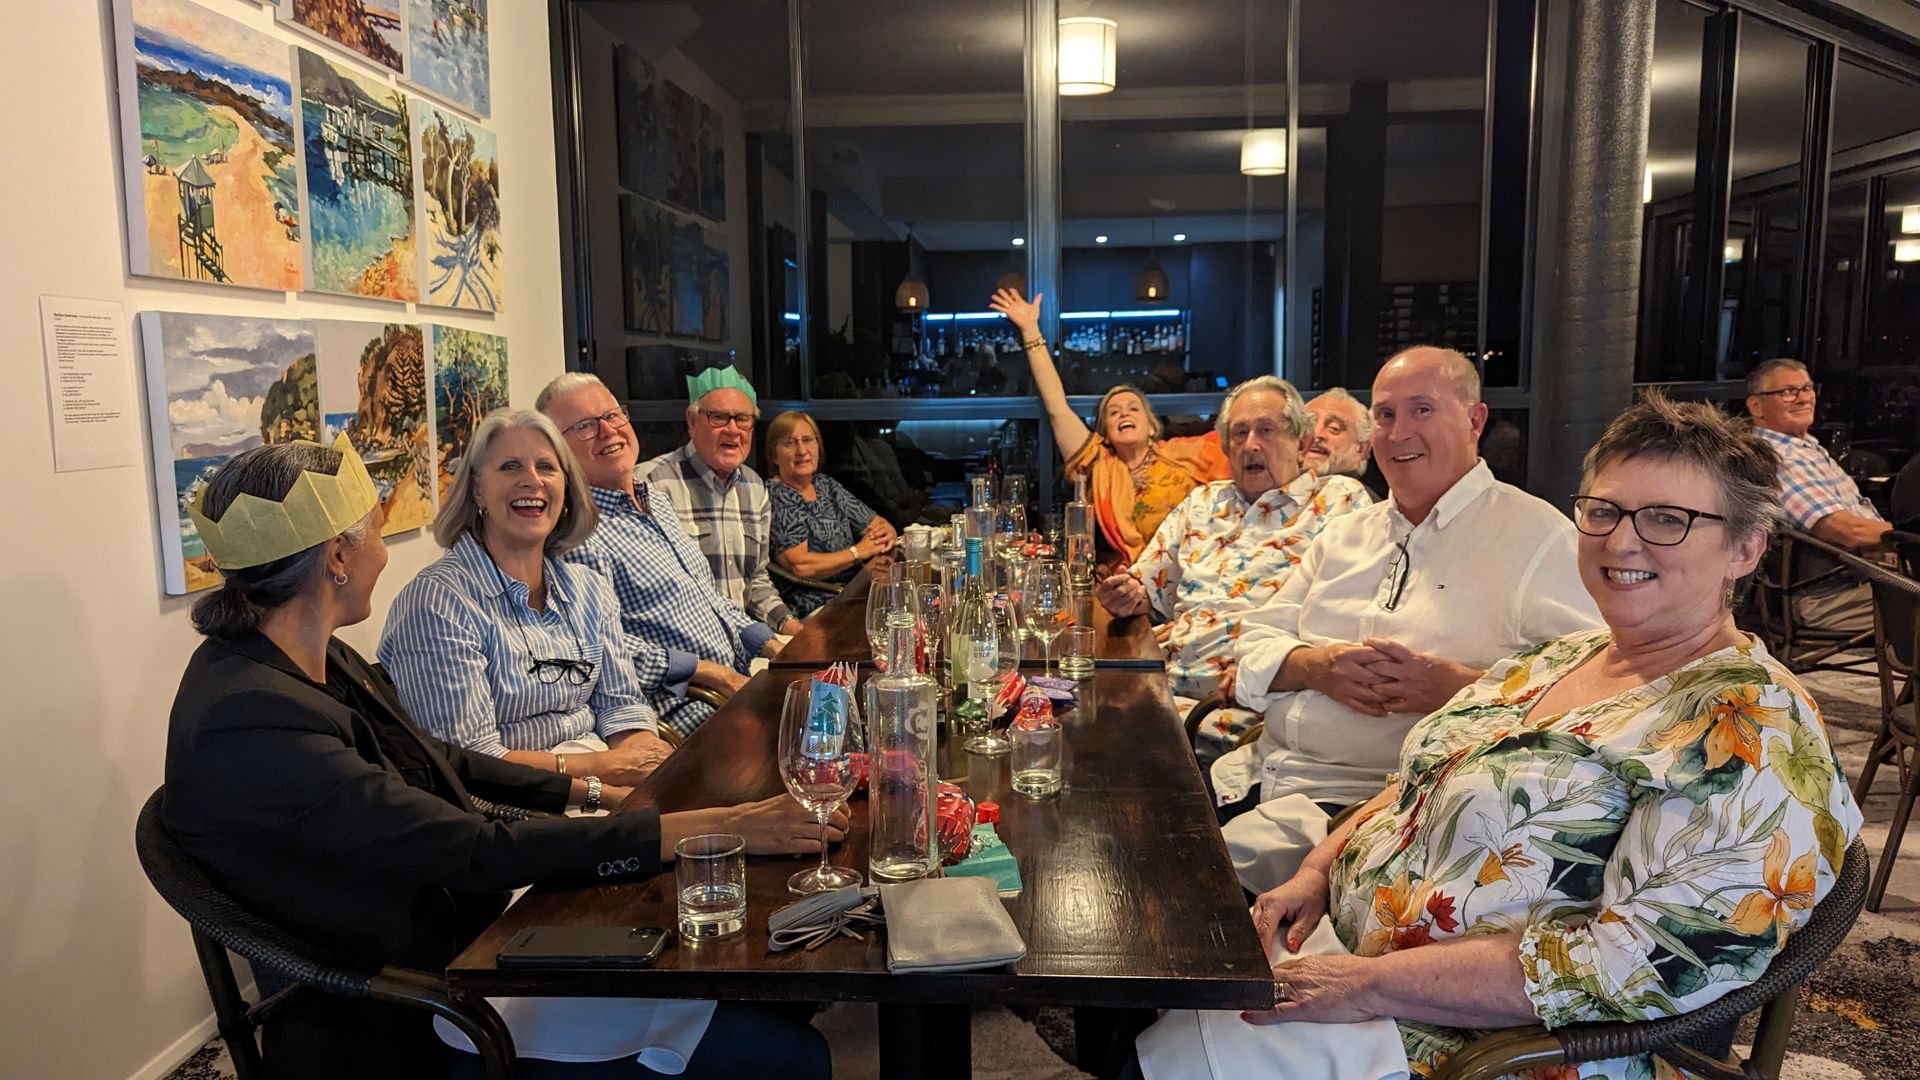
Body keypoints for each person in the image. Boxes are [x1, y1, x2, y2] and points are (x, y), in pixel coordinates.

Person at [1137, 393, 1863, 1080]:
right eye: (1603, 510)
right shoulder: (1557, 659)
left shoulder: (1749, 723)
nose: (1620, 539)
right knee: (1152, 978)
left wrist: (1368, 986)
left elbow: (1652, 960)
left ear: (1744, 549)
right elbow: (1415, 786)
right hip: (1363, 966)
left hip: (1501, 1043)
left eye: (1667, 518)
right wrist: (1319, 871)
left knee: (1161, 1047)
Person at [165, 437, 840, 1079]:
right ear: (337, 556)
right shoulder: (250, 719)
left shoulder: (308, 659)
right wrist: (707, 830)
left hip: (470, 942)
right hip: (418, 1005)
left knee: (755, 985)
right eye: (374, 530)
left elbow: (444, 763)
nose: (381, 549)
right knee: (779, 1052)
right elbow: (468, 848)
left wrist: (591, 797)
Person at [1213, 346, 1602, 893]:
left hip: (1378, 817)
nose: (1397, 433)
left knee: (1172, 896)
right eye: (1385, 414)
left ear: (1474, 420)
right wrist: (1313, 666)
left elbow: (1597, 699)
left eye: (1422, 410)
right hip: (1257, 774)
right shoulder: (1347, 533)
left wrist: (1459, 691)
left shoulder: (1538, 540)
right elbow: (1254, 641)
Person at [380, 410, 673, 788]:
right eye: (510, 467)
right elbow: (472, 762)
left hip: (604, 784)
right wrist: (606, 769)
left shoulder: (589, 590)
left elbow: (622, 706)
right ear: (477, 489)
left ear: (566, 488)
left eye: (547, 467)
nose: (531, 481)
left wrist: (646, 759)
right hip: (514, 809)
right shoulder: (437, 603)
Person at [1093, 376, 1372, 764]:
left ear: (1302, 442)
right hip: (1161, 683)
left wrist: (1276, 663)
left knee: (1099, 751)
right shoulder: (1204, 502)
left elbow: (1350, 616)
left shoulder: (1339, 502)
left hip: (1248, 708)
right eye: (1239, 433)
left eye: (1266, 430)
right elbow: (1147, 589)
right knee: (1056, 717)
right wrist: (1127, 595)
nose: (1250, 444)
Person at [537, 374, 782, 739]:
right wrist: (709, 672)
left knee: (846, 705)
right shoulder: (575, 533)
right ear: (557, 449)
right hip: (686, 707)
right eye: (586, 426)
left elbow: (709, 597)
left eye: (613, 415)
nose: (608, 431)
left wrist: (771, 643)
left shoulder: (656, 499)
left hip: (734, 681)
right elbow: (602, 649)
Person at [990, 287, 1231, 568]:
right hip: (1130, 581)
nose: (1123, 414)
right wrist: (1031, 330)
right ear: (1106, 431)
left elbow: (1243, 447)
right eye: (1114, 412)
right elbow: (1057, 407)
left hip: (1194, 571)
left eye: (1133, 408)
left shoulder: (1186, 454)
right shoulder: (1099, 464)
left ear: (1153, 427)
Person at [643, 366, 803, 634]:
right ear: (692, 422)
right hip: (689, 653)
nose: (733, 429)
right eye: (718, 417)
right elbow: (651, 597)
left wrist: (791, 628)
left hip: (746, 644)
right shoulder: (653, 485)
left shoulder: (753, 487)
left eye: (743, 419)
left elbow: (757, 582)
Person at [1745, 357, 1881, 634]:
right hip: (1829, 598)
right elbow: (1848, 531)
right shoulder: (1779, 459)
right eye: (1787, 392)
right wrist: (1906, 541)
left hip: (1867, 582)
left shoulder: (1806, 448)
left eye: (1807, 388)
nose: (1803, 398)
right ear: (1756, 406)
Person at [765, 410, 898, 617]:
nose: (802, 450)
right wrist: (858, 552)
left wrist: (886, 532)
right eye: (790, 443)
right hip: (819, 603)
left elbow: (877, 524)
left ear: (818, 447)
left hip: (855, 591)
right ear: (774, 455)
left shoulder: (825, 485)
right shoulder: (779, 495)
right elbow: (801, 565)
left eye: (808, 440)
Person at [1303, 387, 1373, 483]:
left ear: (1361, 449)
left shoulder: (1357, 497)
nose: (1316, 434)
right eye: (1309, 423)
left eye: (1334, 428)